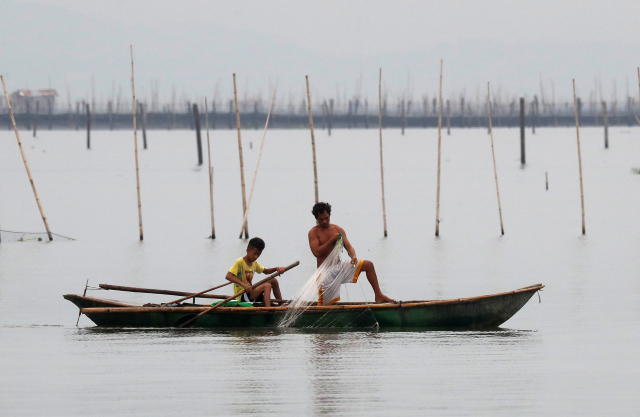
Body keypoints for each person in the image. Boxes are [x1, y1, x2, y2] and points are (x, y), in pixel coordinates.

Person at [308, 202, 396, 305]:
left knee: (368, 265)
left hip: (339, 266)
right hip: (325, 273)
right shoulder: (313, 232)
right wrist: (331, 240)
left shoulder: (337, 230)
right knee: (326, 306)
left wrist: (353, 256)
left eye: (326, 218)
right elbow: (316, 252)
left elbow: (349, 247)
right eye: (321, 219)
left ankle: (379, 295)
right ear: (316, 219)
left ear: (330, 215)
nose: (324, 221)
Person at [225, 237, 285, 307]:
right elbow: (228, 276)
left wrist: (276, 269)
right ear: (248, 250)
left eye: (259, 254)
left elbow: (265, 271)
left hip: (251, 291)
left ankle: (281, 305)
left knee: (273, 281)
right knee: (267, 286)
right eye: (255, 254)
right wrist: (243, 284)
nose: (256, 257)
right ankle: (268, 309)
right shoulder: (240, 262)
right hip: (243, 294)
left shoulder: (254, 263)